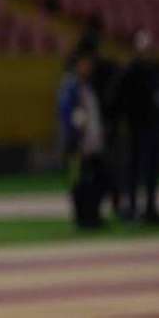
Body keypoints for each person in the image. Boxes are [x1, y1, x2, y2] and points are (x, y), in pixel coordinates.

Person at [119, 30, 159, 223]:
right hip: (136, 129)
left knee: (153, 170)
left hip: (154, 128)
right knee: (133, 170)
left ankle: (151, 208)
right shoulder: (131, 70)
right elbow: (123, 98)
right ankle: (131, 207)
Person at [58, 50, 107, 228]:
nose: (87, 67)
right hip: (77, 143)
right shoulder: (71, 86)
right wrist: (75, 136)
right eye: (84, 64)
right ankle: (82, 218)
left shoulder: (90, 85)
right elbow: (67, 114)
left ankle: (92, 214)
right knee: (79, 181)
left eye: (89, 64)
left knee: (96, 180)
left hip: (92, 142)